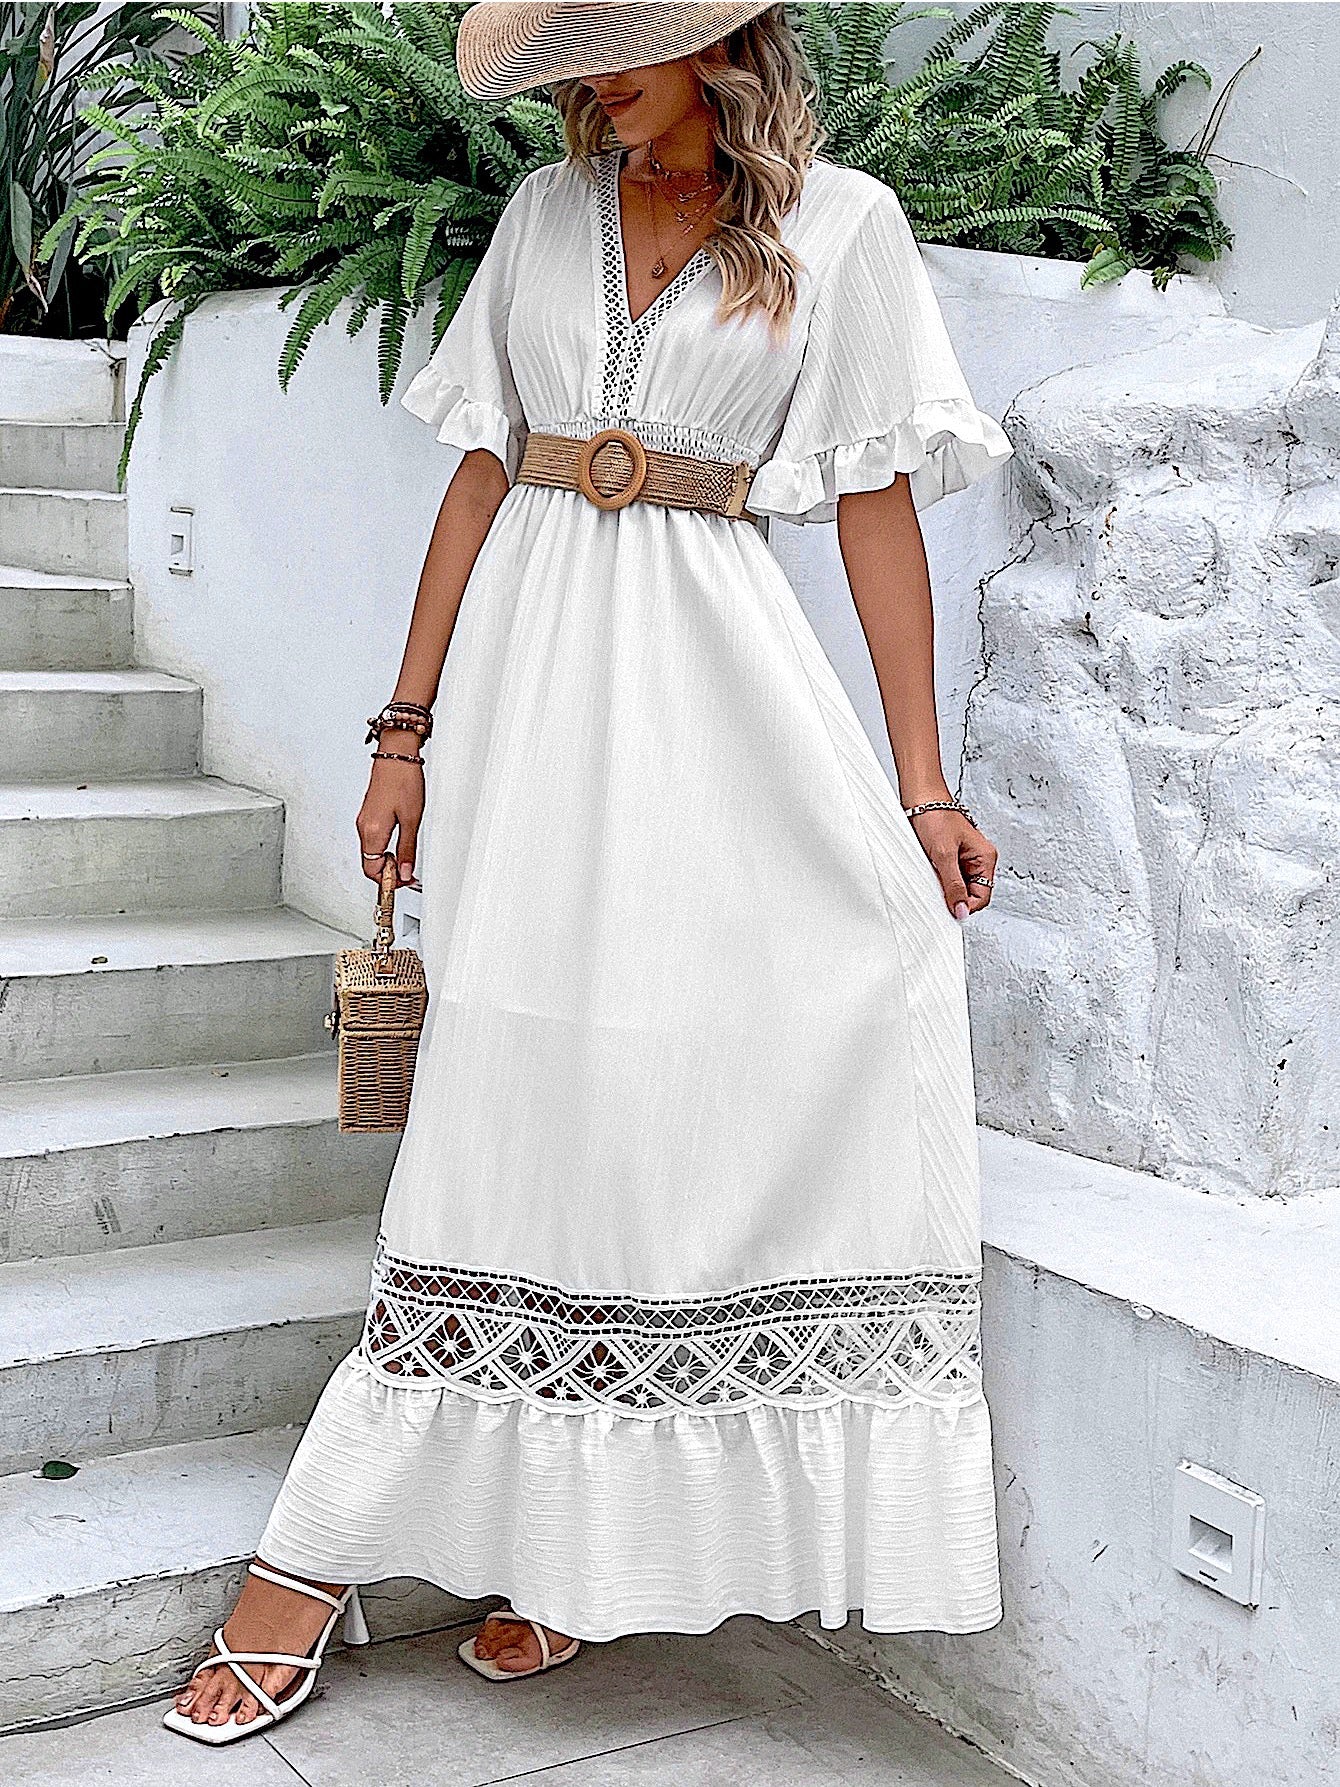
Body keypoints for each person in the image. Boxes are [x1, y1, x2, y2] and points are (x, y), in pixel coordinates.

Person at [165, 0, 1014, 1742]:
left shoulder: (843, 227)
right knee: (514, 1088)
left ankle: (584, 1554)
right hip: (533, 692)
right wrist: (402, 728)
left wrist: (923, 786)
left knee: (691, 1079)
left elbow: (875, 509)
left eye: (621, 37)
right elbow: (482, 475)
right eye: (574, 49)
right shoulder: (542, 220)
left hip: (723, 694)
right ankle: (310, 1563)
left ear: (720, 40)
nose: (592, 80)